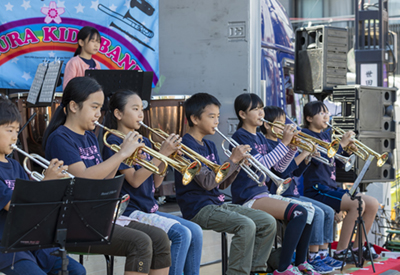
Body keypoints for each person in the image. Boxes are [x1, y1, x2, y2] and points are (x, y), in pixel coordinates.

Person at [43, 77, 171, 275]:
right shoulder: (61, 138)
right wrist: (121, 154)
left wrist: (124, 157)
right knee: (140, 243)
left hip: (97, 215)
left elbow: (105, 181)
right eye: (94, 107)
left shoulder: (90, 137)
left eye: (100, 108)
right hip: (74, 221)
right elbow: (83, 179)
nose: (98, 114)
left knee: (160, 238)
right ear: (74, 106)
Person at [102, 89, 203, 275]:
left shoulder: (145, 141)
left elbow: (156, 182)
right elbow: (134, 180)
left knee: (195, 231)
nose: (141, 114)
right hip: (132, 210)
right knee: (182, 234)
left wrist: (166, 159)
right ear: (118, 113)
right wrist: (162, 154)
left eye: (142, 108)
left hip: (149, 208)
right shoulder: (116, 142)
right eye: (135, 108)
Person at [174, 93, 276, 275]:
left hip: (217, 204)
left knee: (267, 221)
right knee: (246, 225)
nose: (216, 122)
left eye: (218, 117)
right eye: (211, 117)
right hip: (198, 208)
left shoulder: (210, 145)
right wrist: (233, 160)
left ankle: (256, 270)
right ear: (195, 119)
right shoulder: (185, 146)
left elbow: (221, 185)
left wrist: (237, 165)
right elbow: (207, 182)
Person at [230, 93, 317, 275]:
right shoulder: (240, 136)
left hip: (262, 193)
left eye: (261, 108)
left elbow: (278, 168)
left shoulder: (260, 137)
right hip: (248, 196)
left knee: (309, 211)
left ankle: (301, 263)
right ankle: (284, 267)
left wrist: (292, 148)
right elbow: (262, 164)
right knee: (300, 213)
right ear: (242, 114)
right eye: (255, 109)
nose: (261, 112)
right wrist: (284, 143)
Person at [0, 96, 86, 275]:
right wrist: (47, 182)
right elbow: (15, 205)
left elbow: (36, 204)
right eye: (9, 130)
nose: (15, 136)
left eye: (17, 130)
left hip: (31, 240)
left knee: (77, 271)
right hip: (7, 247)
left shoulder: (15, 165)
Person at [260, 106, 342, 273]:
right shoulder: (269, 144)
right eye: (280, 124)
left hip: (292, 192)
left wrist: (306, 157)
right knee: (317, 212)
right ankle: (311, 257)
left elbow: (294, 171)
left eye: (285, 123)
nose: (284, 128)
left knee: (324, 210)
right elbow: (280, 171)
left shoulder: (280, 144)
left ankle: (314, 256)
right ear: (267, 125)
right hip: (279, 193)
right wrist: (302, 153)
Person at [301, 101, 380, 263]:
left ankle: (358, 246)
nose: (326, 116)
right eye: (321, 113)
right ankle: (341, 250)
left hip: (330, 187)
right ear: (309, 118)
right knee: (357, 204)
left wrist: (346, 151)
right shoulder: (305, 135)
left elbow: (335, 162)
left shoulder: (327, 134)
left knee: (372, 203)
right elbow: (319, 160)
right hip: (316, 189)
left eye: (327, 112)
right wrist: (341, 145)